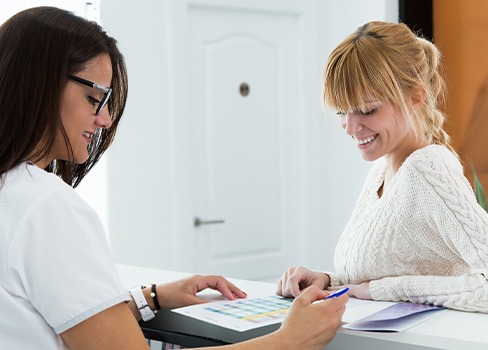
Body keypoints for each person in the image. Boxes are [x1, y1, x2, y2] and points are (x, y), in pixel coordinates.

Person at [0, 6, 348, 350]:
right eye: (94, 98)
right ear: (39, 84)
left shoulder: (14, 194)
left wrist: (151, 297)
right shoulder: (47, 208)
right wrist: (290, 340)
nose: (104, 119)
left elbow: (45, 312)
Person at [277, 21, 488, 313]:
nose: (350, 127)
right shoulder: (382, 170)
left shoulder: (427, 170)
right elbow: (385, 272)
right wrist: (328, 281)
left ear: (415, 97)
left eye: (367, 110)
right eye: (341, 110)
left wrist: (382, 290)